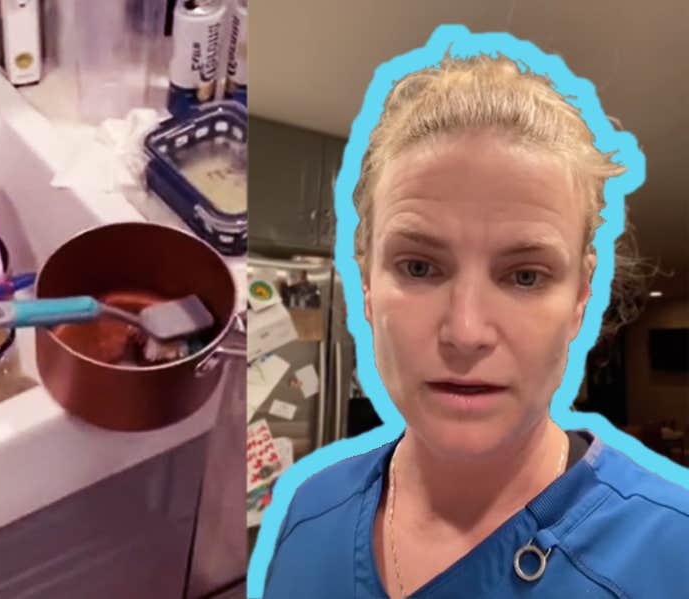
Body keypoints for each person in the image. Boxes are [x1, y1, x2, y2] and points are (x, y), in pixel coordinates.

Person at [261, 54, 689, 597]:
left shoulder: (674, 555)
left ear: (581, 298)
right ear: (366, 285)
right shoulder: (309, 512)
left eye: (526, 276)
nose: (466, 333)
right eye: (419, 268)